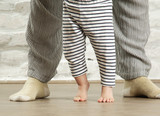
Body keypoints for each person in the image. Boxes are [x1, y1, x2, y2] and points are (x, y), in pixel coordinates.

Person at [9, 0, 160, 102]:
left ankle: (135, 74)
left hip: (99, 8)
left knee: (105, 50)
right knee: (72, 51)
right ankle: (38, 77)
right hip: (71, 8)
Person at [63, 0, 116, 103]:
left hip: (98, 6)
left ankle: (107, 87)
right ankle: (82, 84)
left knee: (105, 49)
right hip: (70, 6)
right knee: (71, 51)